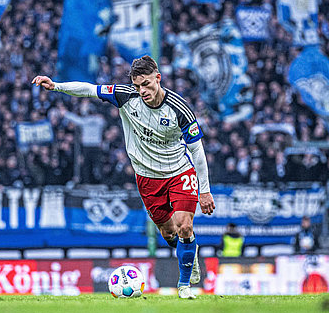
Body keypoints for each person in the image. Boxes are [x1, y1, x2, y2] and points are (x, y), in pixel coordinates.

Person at [33, 55, 215, 299]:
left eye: (147, 84)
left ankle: (184, 286)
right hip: (147, 177)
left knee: (184, 224)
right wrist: (56, 85)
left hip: (180, 171)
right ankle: (188, 250)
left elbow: (198, 151)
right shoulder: (126, 95)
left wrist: (205, 190)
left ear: (158, 78)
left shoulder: (179, 108)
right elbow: (89, 90)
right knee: (169, 232)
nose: (142, 91)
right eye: (138, 86)